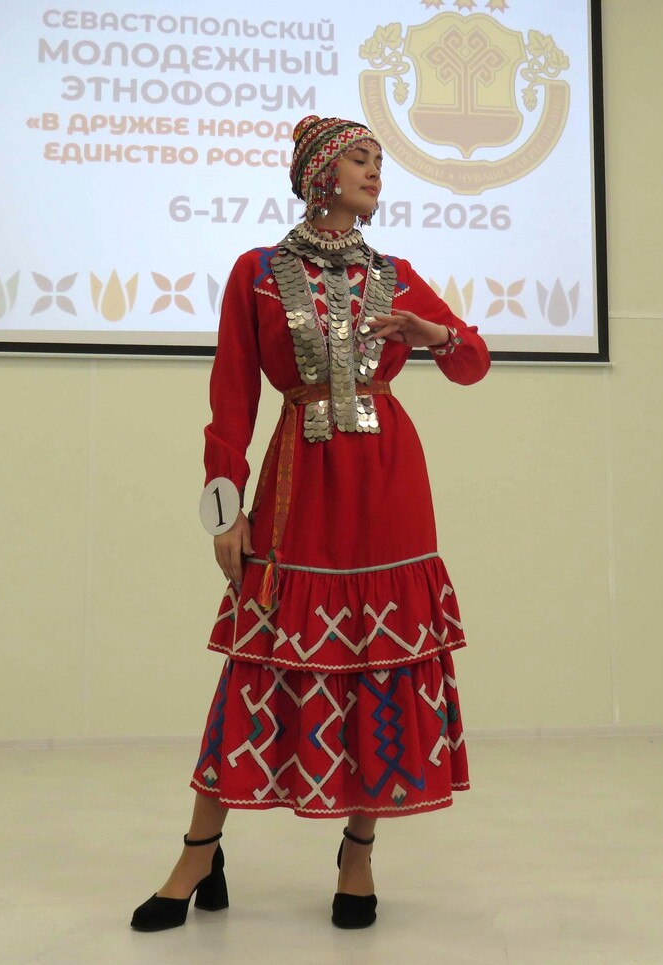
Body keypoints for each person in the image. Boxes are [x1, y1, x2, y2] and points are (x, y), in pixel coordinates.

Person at [130, 114, 490, 933]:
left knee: (379, 660)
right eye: (360, 159)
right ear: (320, 173)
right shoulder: (258, 272)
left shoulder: (396, 275)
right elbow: (231, 394)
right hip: (301, 479)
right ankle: (199, 850)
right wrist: (226, 505)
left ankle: (358, 850)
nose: (376, 173)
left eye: (380, 161)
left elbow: (472, 363)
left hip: (391, 484)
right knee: (258, 659)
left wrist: (434, 332)